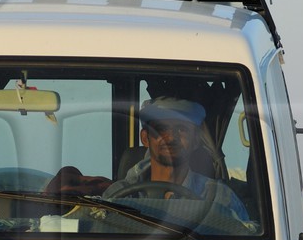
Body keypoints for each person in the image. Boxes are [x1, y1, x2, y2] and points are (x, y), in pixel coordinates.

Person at [105, 97, 252, 226]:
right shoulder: (119, 195)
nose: (170, 137)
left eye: (181, 129)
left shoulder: (219, 198)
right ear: (145, 138)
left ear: (195, 141)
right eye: (161, 129)